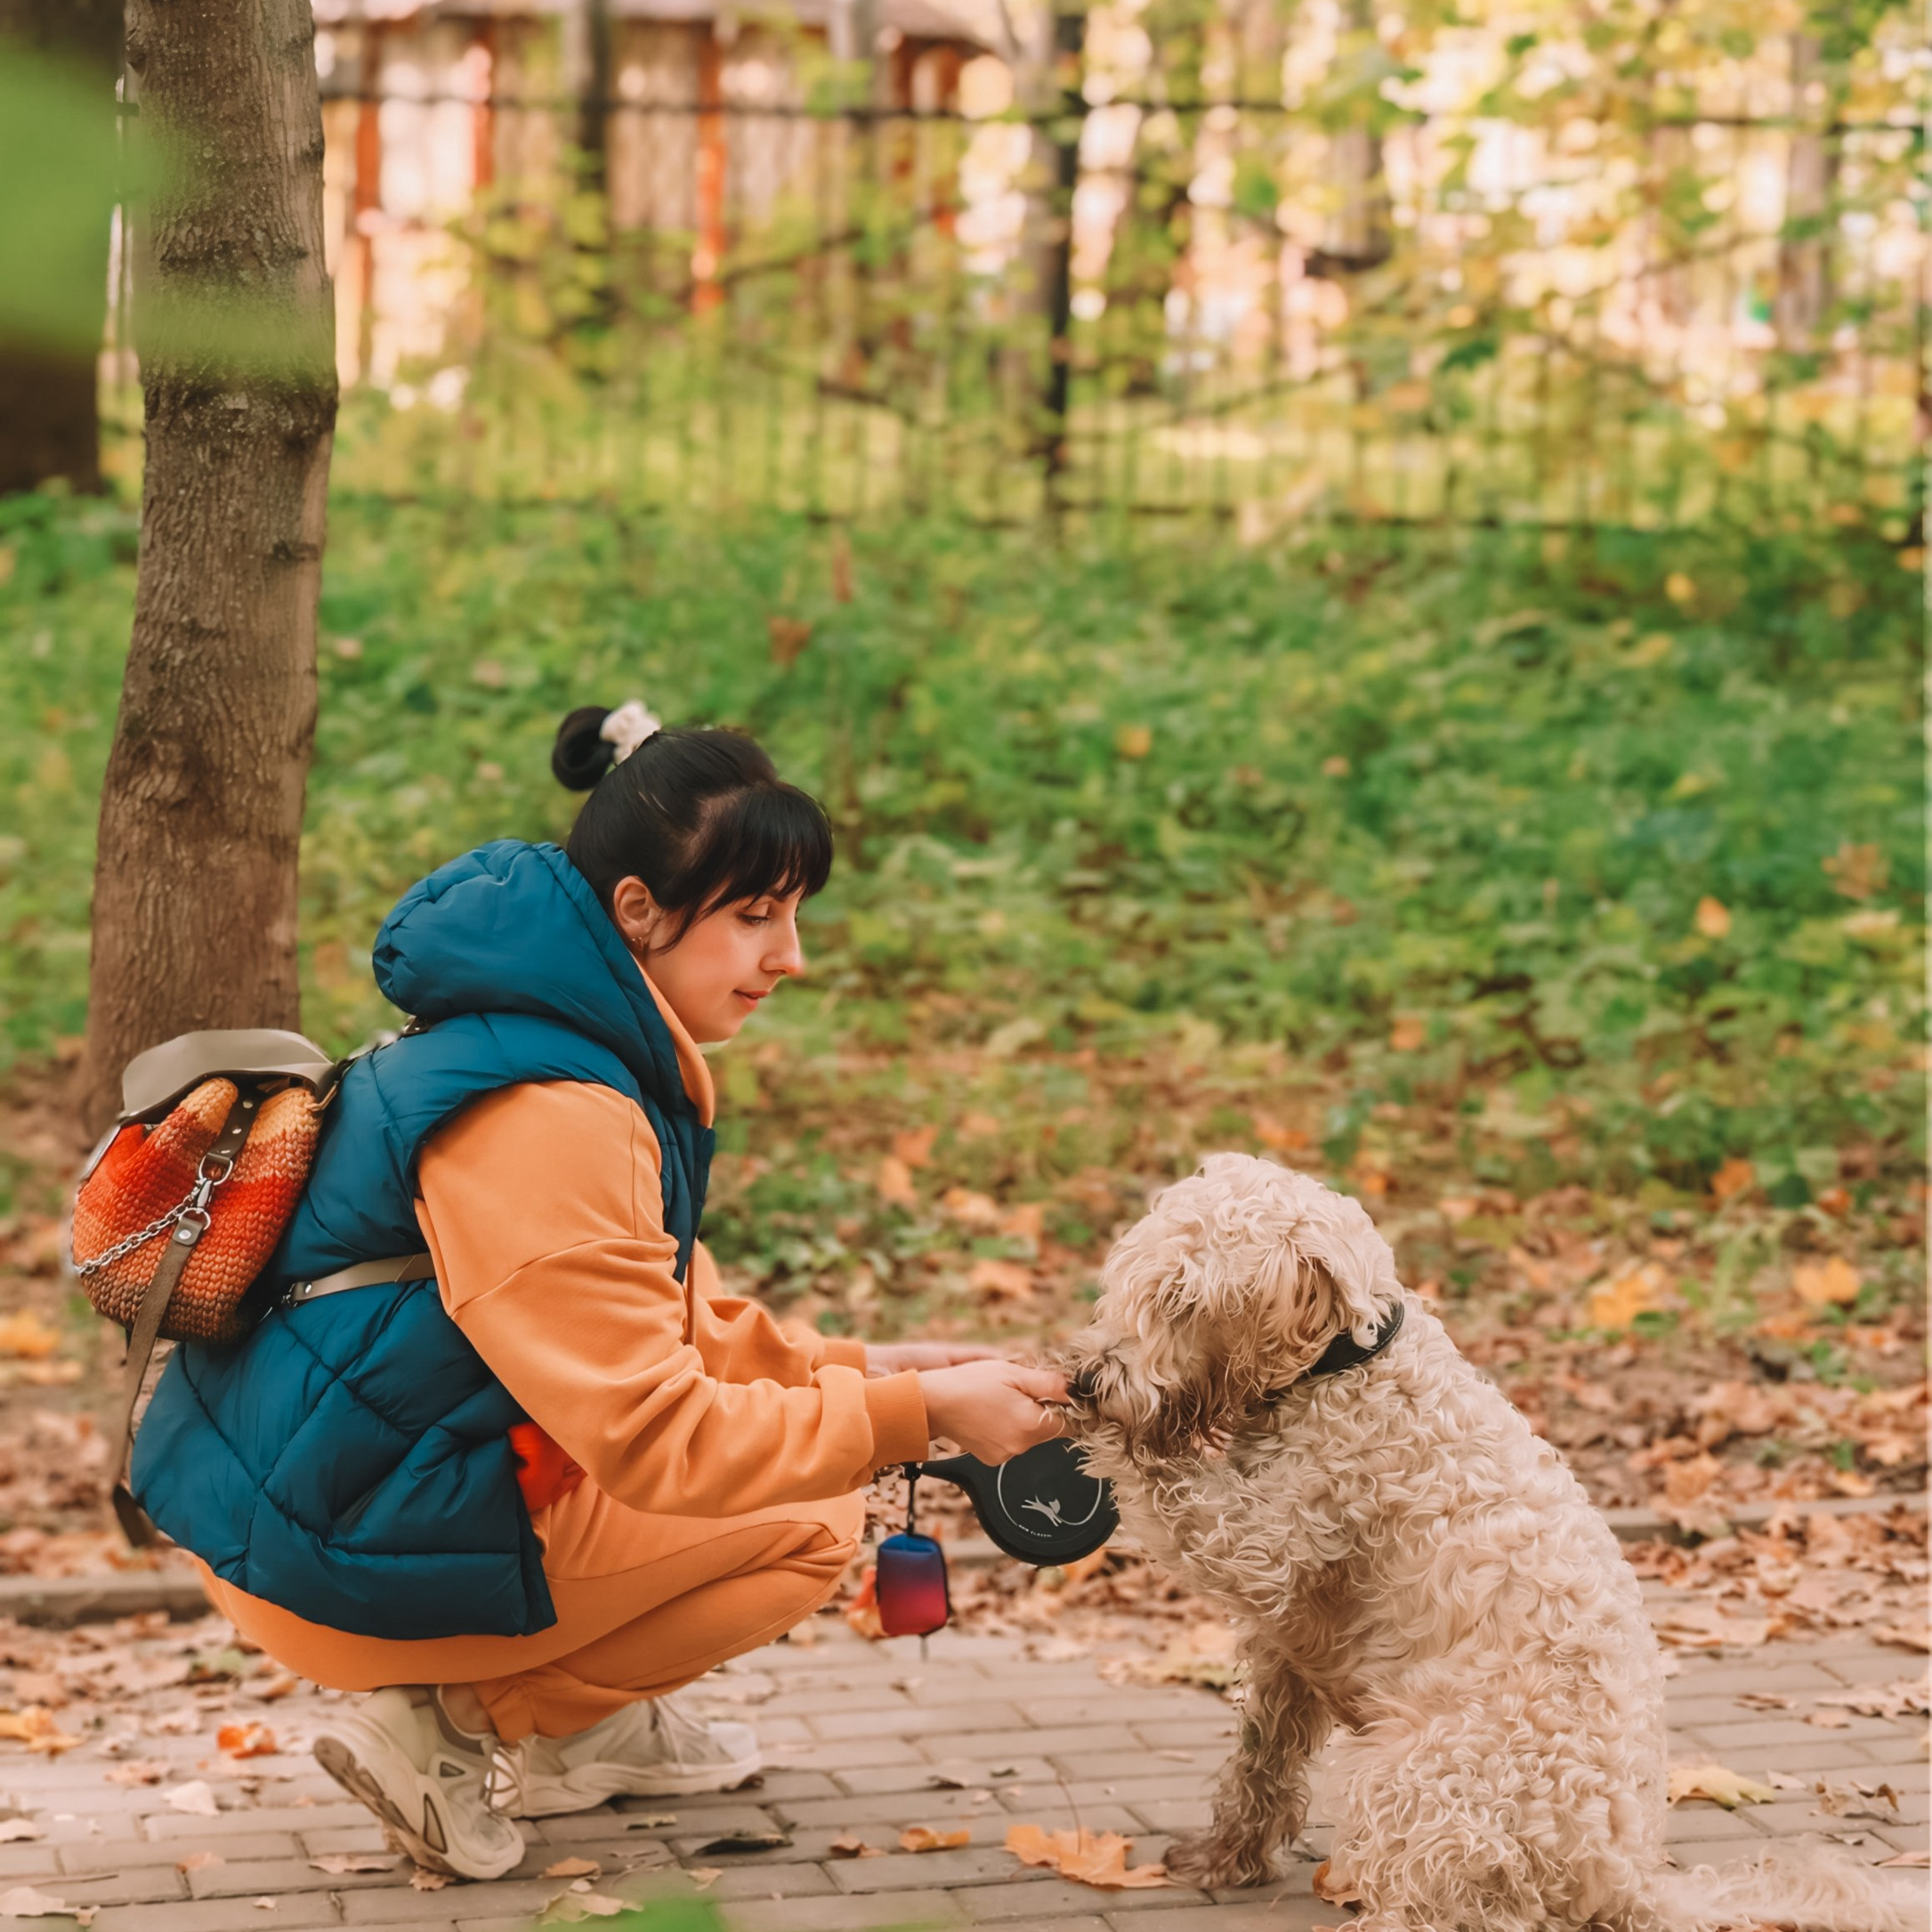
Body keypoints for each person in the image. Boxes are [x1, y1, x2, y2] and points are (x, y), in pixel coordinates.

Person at [128, 701, 1068, 1878]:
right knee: (809, 1520)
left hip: (318, 1493)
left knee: (804, 1459)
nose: (792, 958)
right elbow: (656, 1434)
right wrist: (912, 1423)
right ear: (638, 911)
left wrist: (882, 1370)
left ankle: (588, 1731)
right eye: (754, 917)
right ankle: (447, 1730)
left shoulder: (551, 1048)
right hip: (319, 1539)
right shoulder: (553, 1113)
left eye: (794, 915)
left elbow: (668, 1322)